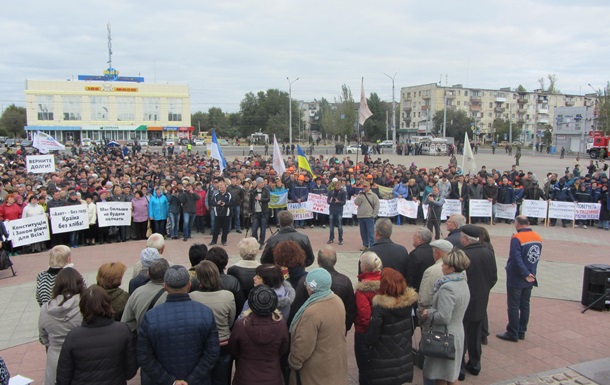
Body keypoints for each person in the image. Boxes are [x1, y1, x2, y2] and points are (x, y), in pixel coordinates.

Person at [137, 265, 220, 385]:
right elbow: (212, 353)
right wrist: (192, 379)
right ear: (189, 285)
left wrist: (170, 381)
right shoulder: (205, 312)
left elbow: (144, 357)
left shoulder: (151, 317)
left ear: (165, 286)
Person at [55, 286, 138, 385]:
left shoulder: (73, 336)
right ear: (108, 304)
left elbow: (63, 377)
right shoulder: (123, 331)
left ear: (82, 307)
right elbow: (130, 371)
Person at [288, 268, 347, 385]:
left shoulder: (312, 311)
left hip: (316, 372)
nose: (306, 287)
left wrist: (293, 362)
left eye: (307, 284)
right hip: (333, 363)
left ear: (312, 287)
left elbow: (304, 344)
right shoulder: (337, 300)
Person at [420, 249, 471, 385]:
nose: (441, 266)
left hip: (444, 336)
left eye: (444, 264)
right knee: (451, 374)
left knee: (441, 375)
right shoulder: (462, 281)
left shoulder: (447, 288)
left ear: (452, 268)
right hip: (457, 332)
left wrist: (428, 312)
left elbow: (443, 317)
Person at [365, 267, 418, 385]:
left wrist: (367, 342)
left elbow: (372, 336)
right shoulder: (409, 304)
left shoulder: (380, 308)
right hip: (403, 354)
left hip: (383, 358)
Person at [459, 225, 498, 378]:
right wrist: (484, 290)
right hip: (481, 300)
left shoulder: (462, 254)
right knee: (475, 334)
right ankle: (475, 364)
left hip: (465, 299)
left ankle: (460, 368)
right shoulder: (488, 253)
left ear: (465, 239)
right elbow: (493, 277)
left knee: (461, 334)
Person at [230, 285, 289, 385]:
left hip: (245, 377)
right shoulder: (281, 324)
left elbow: (234, 348)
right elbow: (283, 349)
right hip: (272, 377)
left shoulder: (241, 324)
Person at [289, 245, 356, 333]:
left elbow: (297, 308)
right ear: (335, 260)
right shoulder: (345, 281)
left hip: (310, 330)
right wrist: (343, 328)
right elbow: (350, 310)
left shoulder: (307, 280)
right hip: (336, 331)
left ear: (318, 260)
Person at [190, 260, 236, 385]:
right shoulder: (228, 296)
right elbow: (231, 320)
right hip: (223, 343)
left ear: (199, 278)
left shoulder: (192, 297)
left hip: (201, 344)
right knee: (222, 379)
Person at [497, 215, 542, 342]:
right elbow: (535, 257)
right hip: (531, 275)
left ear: (517, 224)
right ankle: (522, 331)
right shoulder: (537, 237)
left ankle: (513, 332)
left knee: (513, 305)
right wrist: (530, 273)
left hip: (517, 277)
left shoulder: (517, 238)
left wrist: (525, 273)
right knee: (525, 304)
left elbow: (516, 259)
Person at [38, 267, 85, 385]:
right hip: (80, 356)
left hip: (55, 357)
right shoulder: (85, 306)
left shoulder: (45, 309)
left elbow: (43, 337)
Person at [354, 251, 382, 385]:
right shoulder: (386, 281)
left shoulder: (363, 289)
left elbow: (365, 316)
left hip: (365, 333)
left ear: (364, 267)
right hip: (383, 330)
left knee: (364, 369)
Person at [121, 258, 169, 333]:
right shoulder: (171, 295)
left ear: (148, 274)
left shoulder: (136, 293)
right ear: (167, 274)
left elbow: (126, 322)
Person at [418, 239, 454, 313]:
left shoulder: (431, 270)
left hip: (434, 313)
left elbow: (424, 299)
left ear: (437, 252)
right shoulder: (460, 268)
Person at [407, 227, 435, 293]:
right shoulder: (434, 251)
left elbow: (411, 276)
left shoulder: (415, 255)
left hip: (418, 289)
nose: (412, 238)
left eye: (414, 236)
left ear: (420, 239)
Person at [354, 181, 380, 251]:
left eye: (366, 186)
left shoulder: (373, 195)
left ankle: (372, 245)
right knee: (363, 232)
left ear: (369, 187)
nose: (365, 188)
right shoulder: (361, 194)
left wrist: (374, 215)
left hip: (369, 216)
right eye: (364, 186)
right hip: (361, 216)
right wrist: (359, 196)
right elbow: (356, 203)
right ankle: (365, 244)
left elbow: (377, 205)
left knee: (370, 232)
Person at [210, 179, 234, 246]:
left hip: (226, 214)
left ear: (225, 187)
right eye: (220, 188)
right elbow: (211, 202)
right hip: (217, 214)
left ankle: (224, 241)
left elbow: (232, 203)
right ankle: (214, 241)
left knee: (225, 229)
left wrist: (225, 204)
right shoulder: (216, 195)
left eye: (222, 187)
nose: (221, 189)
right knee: (216, 229)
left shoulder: (229, 194)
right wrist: (217, 203)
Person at [249, 177, 270, 249]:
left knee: (263, 229)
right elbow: (250, 202)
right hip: (256, 212)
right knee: (254, 228)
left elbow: (268, 199)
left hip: (263, 212)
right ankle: (255, 241)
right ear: (257, 184)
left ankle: (261, 242)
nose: (262, 184)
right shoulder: (253, 191)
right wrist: (250, 211)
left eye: (263, 182)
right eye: (261, 183)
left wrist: (261, 199)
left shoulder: (266, 190)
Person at [327, 177, 347, 244]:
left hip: (339, 210)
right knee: (331, 226)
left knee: (339, 226)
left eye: (339, 185)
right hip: (332, 210)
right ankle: (331, 238)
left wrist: (338, 201)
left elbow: (344, 202)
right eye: (336, 185)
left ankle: (340, 239)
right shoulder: (331, 192)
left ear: (341, 186)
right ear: (334, 185)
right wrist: (330, 201)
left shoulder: (343, 192)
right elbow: (328, 201)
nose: (338, 187)